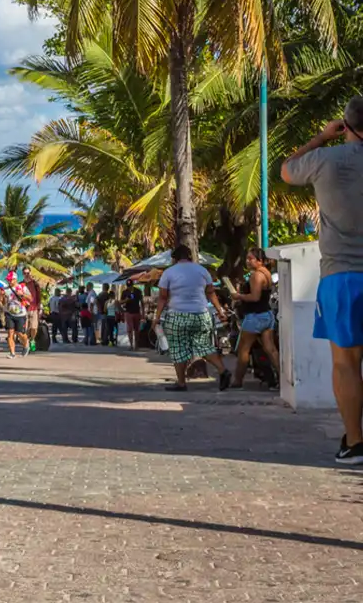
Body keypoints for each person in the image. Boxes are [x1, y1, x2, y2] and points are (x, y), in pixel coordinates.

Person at [281, 99, 363, 464]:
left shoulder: (325, 160)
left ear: (346, 124)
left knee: (346, 362)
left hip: (341, 275)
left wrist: (320, 137)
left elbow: (286, 170)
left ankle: (355, 442)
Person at [155, 244, 233, 392]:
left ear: (174, 258)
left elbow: (162, 297)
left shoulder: (169, 273)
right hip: (201, 314)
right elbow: (211, 293)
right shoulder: (202, 271)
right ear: (190, 256)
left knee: (178, 349)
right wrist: (220, 310)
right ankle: (223, 370)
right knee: (204, 346)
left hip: (177, 314)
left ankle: (181, 382)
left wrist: (157, 317)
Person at [229, 248, 280, 390]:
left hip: (255, 316)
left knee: (243, 349)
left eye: (251, 258)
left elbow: (255, 297)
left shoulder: (256, 276)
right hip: (267, 314)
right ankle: (282, 378)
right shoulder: (267, 274)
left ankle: (237, 380)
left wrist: (239, 296)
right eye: (247, 258)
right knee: (271, 349)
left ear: (260, 260)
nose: (247, 261)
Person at [2, 280, 30, 358]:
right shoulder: (6, 289)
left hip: (20, 314)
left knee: (20, 333)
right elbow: (3, 302)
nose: (9, 281)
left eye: (10, 279)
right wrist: (2, 296)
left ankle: (26, 344)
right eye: (8, 279)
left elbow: (30, 298)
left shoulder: (22, 287)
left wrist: (22, 294)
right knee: (10, 333)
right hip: (9, 313)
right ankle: (12, 353)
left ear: (15, 279)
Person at [122, 282, 144, 350]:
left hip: (136, 312)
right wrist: (126, 300)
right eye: (128, 286)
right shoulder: (124, 292)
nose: (129, 287)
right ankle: (131, 345)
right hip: (128, 312)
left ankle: (136, 345)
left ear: (132, 285)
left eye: (130, 286)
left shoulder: (138, 291)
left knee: (136, 329)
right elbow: (121, 301)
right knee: (129, 330)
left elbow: (142, 302)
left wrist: (143, 313)